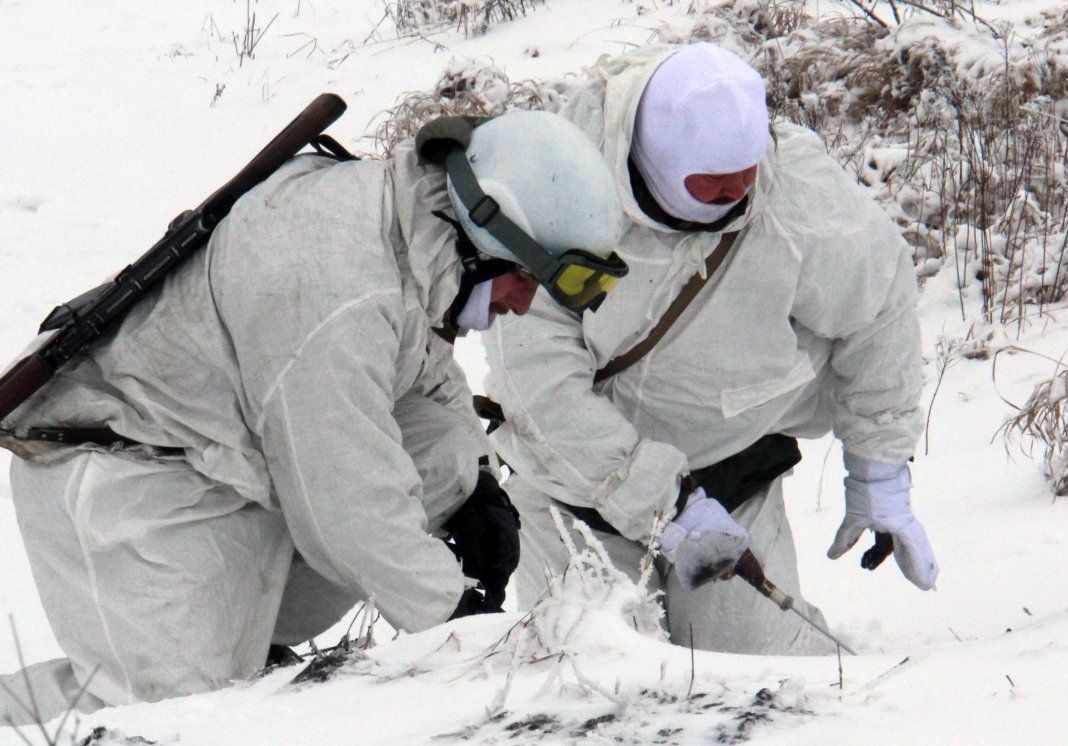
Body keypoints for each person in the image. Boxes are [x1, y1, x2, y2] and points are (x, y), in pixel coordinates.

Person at [0, 109, 626, 721]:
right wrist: (463, 626)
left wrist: (477, 487)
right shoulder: (338, 291)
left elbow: (422, 378)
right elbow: (347, 505)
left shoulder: (405, 230)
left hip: (223, 463)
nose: (523, 306)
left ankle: (244, 653)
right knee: (175, 718)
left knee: (438, 466)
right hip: (125, 468)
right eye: (524, 281)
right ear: (482, 237)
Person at [482, 43, 939, 656]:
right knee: (592, 672)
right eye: (712, 181)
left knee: (761, 668)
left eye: (744, 171)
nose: (735, 190)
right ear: (658, 160)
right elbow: (537, 386)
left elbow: (877, 307)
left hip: (731, 467)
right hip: (576, 485)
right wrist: (663, 504)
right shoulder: (555, 191)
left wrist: (880, 471)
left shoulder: (793, 192)